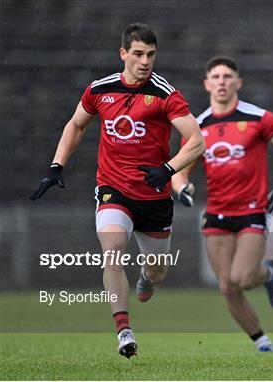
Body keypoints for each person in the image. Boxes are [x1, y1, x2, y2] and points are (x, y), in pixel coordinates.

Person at [29, 23, 205, 358]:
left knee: (156, 269)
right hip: (114, 188)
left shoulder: (166, 94)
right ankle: (124, 330)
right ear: (123, 53)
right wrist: (56, 166)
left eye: (151, 55)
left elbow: (196, 141)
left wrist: (167, 169)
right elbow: (76, 124)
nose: (145, 61)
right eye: (138, 54)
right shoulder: (100, 89)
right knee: (112, 249)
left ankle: (147, 278)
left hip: (154, 196)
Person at [172, 56, 273, 352]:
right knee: (227, 287)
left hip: (252, 211)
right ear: (207, 84)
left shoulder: (259, 118)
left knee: (243, 278)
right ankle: (262, 341)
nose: (221, 81)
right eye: (216, 77)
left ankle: (267, 272)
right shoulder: (198, 127)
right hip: (217, 213)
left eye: (227, 76)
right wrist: (181, 188)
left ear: (238, 83)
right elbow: (179, 171)